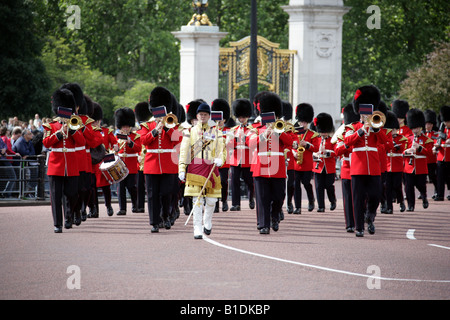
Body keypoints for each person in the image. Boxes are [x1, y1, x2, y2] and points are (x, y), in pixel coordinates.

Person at [344, 85, 388, 237]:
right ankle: (359, 228)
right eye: (363, 112)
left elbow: (386, 143)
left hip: (374, 168)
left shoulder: (377, 127)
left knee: (376, 195)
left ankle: (370, 215)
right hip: (358, 168)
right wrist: (362, 130)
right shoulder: (353, 126)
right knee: (358, 198)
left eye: (368, 112)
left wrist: (376, 129)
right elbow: (348, 141)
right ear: (359, 112)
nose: (366, 115)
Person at [248, 92, 293, 234]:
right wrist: (264, 134)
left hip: (277, 168)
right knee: (262, 198)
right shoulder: (255, 129)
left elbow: (290, 143)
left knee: (279, 196)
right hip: (260, 167)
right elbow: (250, 144)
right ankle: (263, 225)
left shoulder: (282, 128)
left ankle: (275, 216)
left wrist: (278, 131)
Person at [179, 102, 226, 239]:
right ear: (197, 116)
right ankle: (197, 227)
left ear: (209, 116)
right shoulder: (189, 132)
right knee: (197, 201)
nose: (203, 116)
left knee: (211, 201)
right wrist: (182, 168)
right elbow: (184, 152)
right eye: (201, 114)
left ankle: (207, 220)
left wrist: (220, 160)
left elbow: (221, 150)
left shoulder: (216, 132)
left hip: (211, 168)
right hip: (196, 168)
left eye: (205, 114)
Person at [43, 88, 85, 233]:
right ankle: (57, 224)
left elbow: (81, 142)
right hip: (56, 164)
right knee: (55, 196)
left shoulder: (75, 124)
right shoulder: (51, 126)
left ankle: (69, 217)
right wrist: (59, 133)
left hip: (71, 164)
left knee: (72, 193)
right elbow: (46, 142)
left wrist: (72, 130)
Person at [141, 87, 182, 232]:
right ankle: (154, 222)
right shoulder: (147, 125)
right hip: (152, 164)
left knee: (167, 193)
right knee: (152, 195)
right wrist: (155, 130)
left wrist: (165, 127)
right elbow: (143, 140)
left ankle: (166, 216)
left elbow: (178, 139)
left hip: (168, 165)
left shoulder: (172, 124)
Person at [226, 98, 255, 212]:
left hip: (247, 159)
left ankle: (251, 198)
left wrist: (244, 137)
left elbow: (252, 145)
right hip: (236, 159)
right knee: (234, 181)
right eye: (240, 117)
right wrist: (234, 138)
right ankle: (235, 204)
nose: (241, 119)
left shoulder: (252, 130)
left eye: (243, 117)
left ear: (247, 117)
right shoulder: (233, 130)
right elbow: (229, 145)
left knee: (249, 182)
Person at [90, 102, 118, 217]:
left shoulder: (106, 131)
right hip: (91, 161)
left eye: (97, 121)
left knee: (105, 186)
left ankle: (108, 205)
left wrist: (115, 146)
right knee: (92, 188)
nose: (96, 123)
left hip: (102, 162)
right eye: (94, 121)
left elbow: (114, 142)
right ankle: (94, 209)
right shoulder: (88, 131)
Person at [334, 104, 359, 231]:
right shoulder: (342, 133)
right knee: (348, 198)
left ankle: (360, 219)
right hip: (346, 168)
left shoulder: (360, 131)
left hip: (358, 167)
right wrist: (348, 145)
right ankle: (349, 224)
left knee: (359, 197)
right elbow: (337, 151)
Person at [403, 108, 433, 211]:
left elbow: (429, 153)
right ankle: (411, 205)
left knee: (421, 185)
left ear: (420, 127)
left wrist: (419, 148)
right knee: (408, 187)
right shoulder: (407, 139)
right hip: (409, 166)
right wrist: (407, 151)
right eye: (413, 128)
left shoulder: (427, 140)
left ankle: (424, 196)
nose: (415, 130)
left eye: (417, 128)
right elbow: (402, 152)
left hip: (420, 167)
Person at [292, 103, 319, 214]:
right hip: (295, 163)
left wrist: (307, 144)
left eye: (304, 122)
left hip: (307, 163)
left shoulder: (312, 134)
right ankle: (297, 207)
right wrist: (293, 152)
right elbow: (289, 146)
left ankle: (311, 199)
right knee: (296, 185)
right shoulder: (294, 133)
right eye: (301, 121)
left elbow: (316, 148)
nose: (303, 124)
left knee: (306, 183)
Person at [114, 107, 142, 216]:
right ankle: (122, 209)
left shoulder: (135, 136)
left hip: (131, 164)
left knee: (131, 186)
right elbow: (113, 150)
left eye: (127, 126)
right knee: (120, 188)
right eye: (123, 126)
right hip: (120, 164)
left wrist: (130, 142)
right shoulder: (117, 136)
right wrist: (115, 149)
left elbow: (138, 148)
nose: (125, 128)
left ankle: (135, 204)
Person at [312, 113, 337, 212]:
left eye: (325, 131)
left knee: (328, 185)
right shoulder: (316, 139)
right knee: (319, 187)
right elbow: (312, 150)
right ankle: (321, 206)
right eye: (322, 132)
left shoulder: (332, 140)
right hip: (318, 166)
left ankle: (332, 200)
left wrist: (327, 152)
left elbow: (336, 152)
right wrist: (316, 154)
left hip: (329, 167)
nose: (323, 134)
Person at [211, 98, 233, 213]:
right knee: (214, 182)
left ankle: (224, 200)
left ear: (225, 119)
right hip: (213, 160)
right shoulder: (211, 130)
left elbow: (232, 144)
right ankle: (215, 204)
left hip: (224, 161)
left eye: (222, 119)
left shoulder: (229, 130)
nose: (220, 121)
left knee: (223, 181)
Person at [384, 111, 408, 214]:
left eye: (394, 129)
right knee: (388, 187)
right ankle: (389, 207)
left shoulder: (401, 138)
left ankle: (401, 201)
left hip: (397, 166)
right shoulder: (385, 138)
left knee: (397, 186)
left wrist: (397, 146)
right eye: (391, 129)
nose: (392, 131)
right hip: (388, 165)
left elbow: (402, 148)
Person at [134, 101, 152, 214]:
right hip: (140, 160)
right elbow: (136, 146)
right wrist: (137, 156)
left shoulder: (149, 128)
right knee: (139, 185)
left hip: (149, 158)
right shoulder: (137, 132)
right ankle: (140, 205)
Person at [433, 105, 450, 201]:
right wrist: (436, 145)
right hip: (441, 156)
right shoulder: (442, 129)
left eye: (447, 121)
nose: (446, 123)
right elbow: (437, 140)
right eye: (445, 121)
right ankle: (440, 194)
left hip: (449, 157)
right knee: (440, 177)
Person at [423, 109, 438, 199]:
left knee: (432, 177)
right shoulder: (422, 135)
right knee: (422, 179)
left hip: (432, 159)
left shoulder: (435, 134)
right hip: (424, 159)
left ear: (432, 125)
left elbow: (436, 143)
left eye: (429, 124)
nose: (427, 126)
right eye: (426, 124)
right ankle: (423, 194)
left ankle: (437, 191)